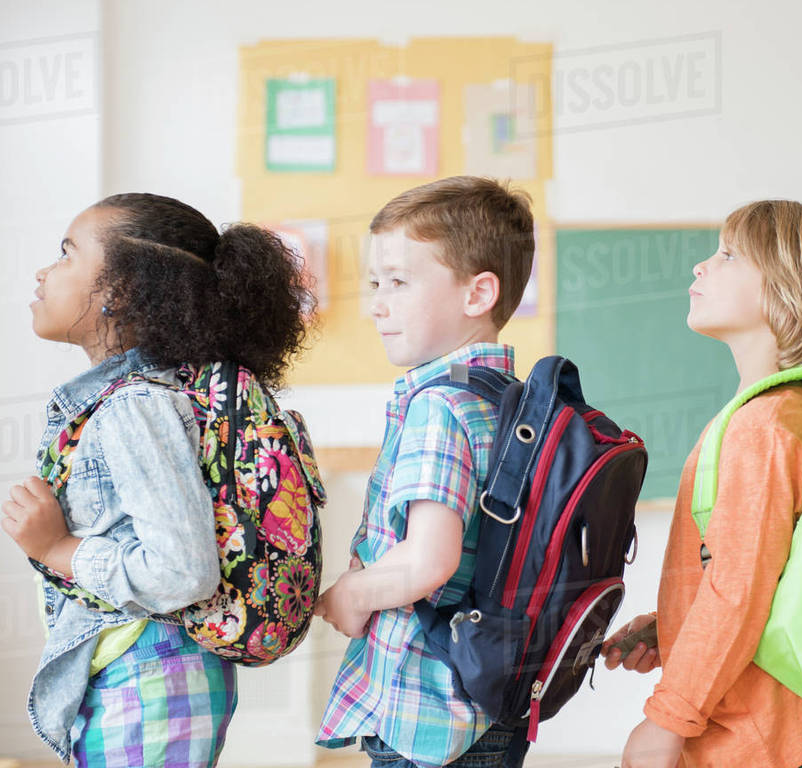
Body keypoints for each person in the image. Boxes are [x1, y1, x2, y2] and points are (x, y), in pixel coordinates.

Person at [2, 192, 311, 766]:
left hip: (148, 681)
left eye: (67, 254)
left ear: (119, 290)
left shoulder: (133, 407)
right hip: (157, 674)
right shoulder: (153, 394)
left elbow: (181, 572)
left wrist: (58, 548)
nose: (44, 272)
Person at [604, 200, 802, 768]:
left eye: (728, 254)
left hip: (761, 739)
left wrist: (666, 719)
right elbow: (781, 580)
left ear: (793, 291)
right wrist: (674, 626)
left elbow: (738, 591)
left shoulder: (762, 425)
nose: (701, 266)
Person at [315, 176, 536, 768]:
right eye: (374, 284)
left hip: (426, 711)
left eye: (398, 282)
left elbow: (428, 561)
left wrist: (351, 593)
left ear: (477, 294)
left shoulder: (440, 406)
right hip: (489, 697)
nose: (376, 303)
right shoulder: (509, 402)